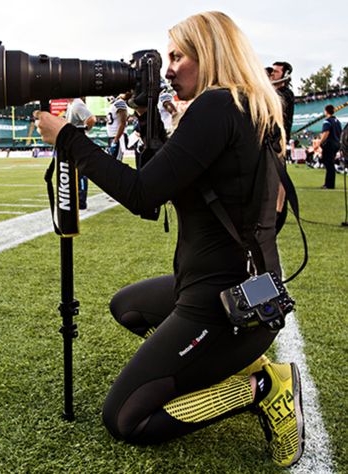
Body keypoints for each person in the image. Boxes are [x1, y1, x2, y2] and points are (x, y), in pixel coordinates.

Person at [35, 11, 304, 468]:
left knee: (125, 417)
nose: (169, 68)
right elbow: (169, 176)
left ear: (211, 54)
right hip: (240, 290)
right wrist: (146, 115)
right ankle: (223, 362)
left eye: (178, 56)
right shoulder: (248, 108)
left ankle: (260, 387)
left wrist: (69, 142)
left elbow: (143, 195)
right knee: (128, 306)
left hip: (225, 307)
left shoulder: (217, 107)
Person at [270, 61, 294, 232]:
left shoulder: (285, 94)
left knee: (279, 179)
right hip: (267, 143)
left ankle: (279, 212)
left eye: (276, 72)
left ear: (285, 75)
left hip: (278, 143)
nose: (272, 74)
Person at [65, 97, 96, 209]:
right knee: (74, 172)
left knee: (81, 171)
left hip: (77, 138)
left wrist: (84, 130)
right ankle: (77, 199)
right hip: (73, 139)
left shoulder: (77, 104)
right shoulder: (71, 104)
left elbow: (91, 119)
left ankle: (81, 201)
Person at [319, 104, 342, 189]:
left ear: (326, 111)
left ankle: (329, 184)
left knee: (329, 164)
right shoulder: (337, 121)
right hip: (336, 143)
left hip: (329, 144)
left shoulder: (327, 121)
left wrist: (320, 143)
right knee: (330, 163)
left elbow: (326, 133)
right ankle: (329, 183)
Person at [106, 96, 128, 161]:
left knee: (117, 162)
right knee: (111, 162)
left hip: (118, 137)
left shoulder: (119, 103)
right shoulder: (113, 104)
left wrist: (116, 140)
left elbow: (123, 123)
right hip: (112, 136)